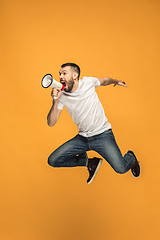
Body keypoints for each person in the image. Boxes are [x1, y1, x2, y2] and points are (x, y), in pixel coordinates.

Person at [47, 63, 140, 184]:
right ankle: (89, 162)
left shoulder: (88, 83)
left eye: (64, 73)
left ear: (75, 75)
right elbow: (51, 123)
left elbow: (105, 81)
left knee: (121, 168)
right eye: (59, 74)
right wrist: (55, 101)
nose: (60, 76)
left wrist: (115, 81)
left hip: (102, 136)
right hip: (82, 139)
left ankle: (131, 158)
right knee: (53, 160)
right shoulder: (62, 95)